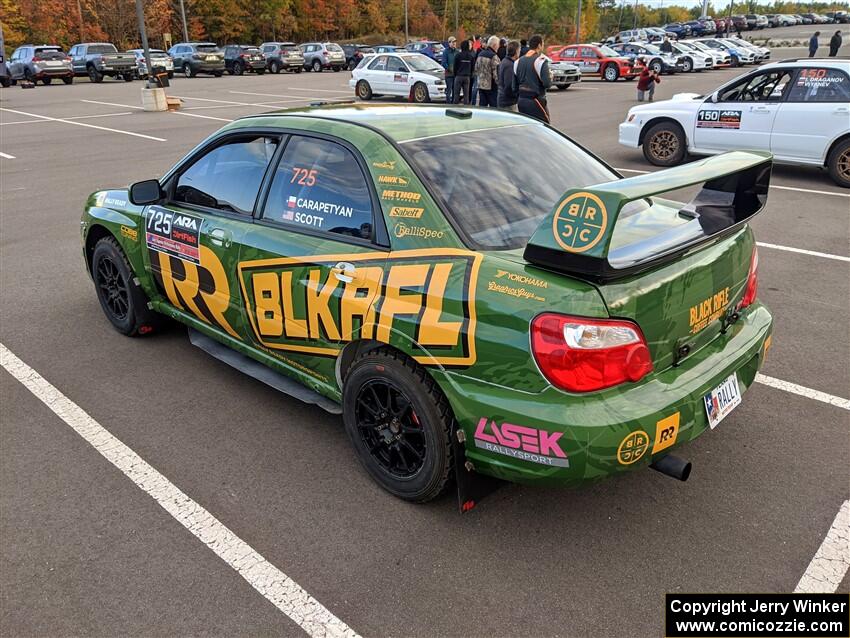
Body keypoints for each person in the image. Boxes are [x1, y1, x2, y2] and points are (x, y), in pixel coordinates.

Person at [512, 34, 551, 122]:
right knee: (544, 127)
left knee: (527, 126)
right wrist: (550, 77)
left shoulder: (517, 62)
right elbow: (547, 83)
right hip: (536, 100)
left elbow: (514, 87)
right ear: (539, 45)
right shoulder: (540, 61)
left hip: (521, 100)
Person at [474, 35, 501, 107]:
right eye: (498, 45)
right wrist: (500, 85)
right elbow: (496, 74)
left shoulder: (480, 54)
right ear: (494, 45)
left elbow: (476, 69)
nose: (499, 47)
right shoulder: (494, 56)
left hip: (481, 85)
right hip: (491, 87)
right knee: (494, 108)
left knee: (482, 107)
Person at [497, 40, 520, 111]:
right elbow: (509, 86)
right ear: (516, 51)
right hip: (508, 102)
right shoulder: (509, 65)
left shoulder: (504, 61)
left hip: (503, 99)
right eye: (519, 50)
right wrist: (516, 95)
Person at [452, 39, 475, 104]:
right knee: (466, 95)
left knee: (456, 94)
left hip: (458, 76)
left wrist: (455, 74)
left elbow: (455, 67)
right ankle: (466, 108)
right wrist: (470, 74)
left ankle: (455, 108)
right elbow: (473, 67)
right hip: (467, 77)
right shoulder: (471, 56)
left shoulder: (458, 55)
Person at [441, 36, 458, 104]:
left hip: (456, 74)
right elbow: (443, 63)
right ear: (449, 43)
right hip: (449, 75)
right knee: (449, 91)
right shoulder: (446, 51)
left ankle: (454, 104)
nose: (454, 43)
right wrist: (449, 69)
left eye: (455, 42)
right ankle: (448, 104)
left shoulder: (457, 51)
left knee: (455, 90)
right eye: (453, 42)